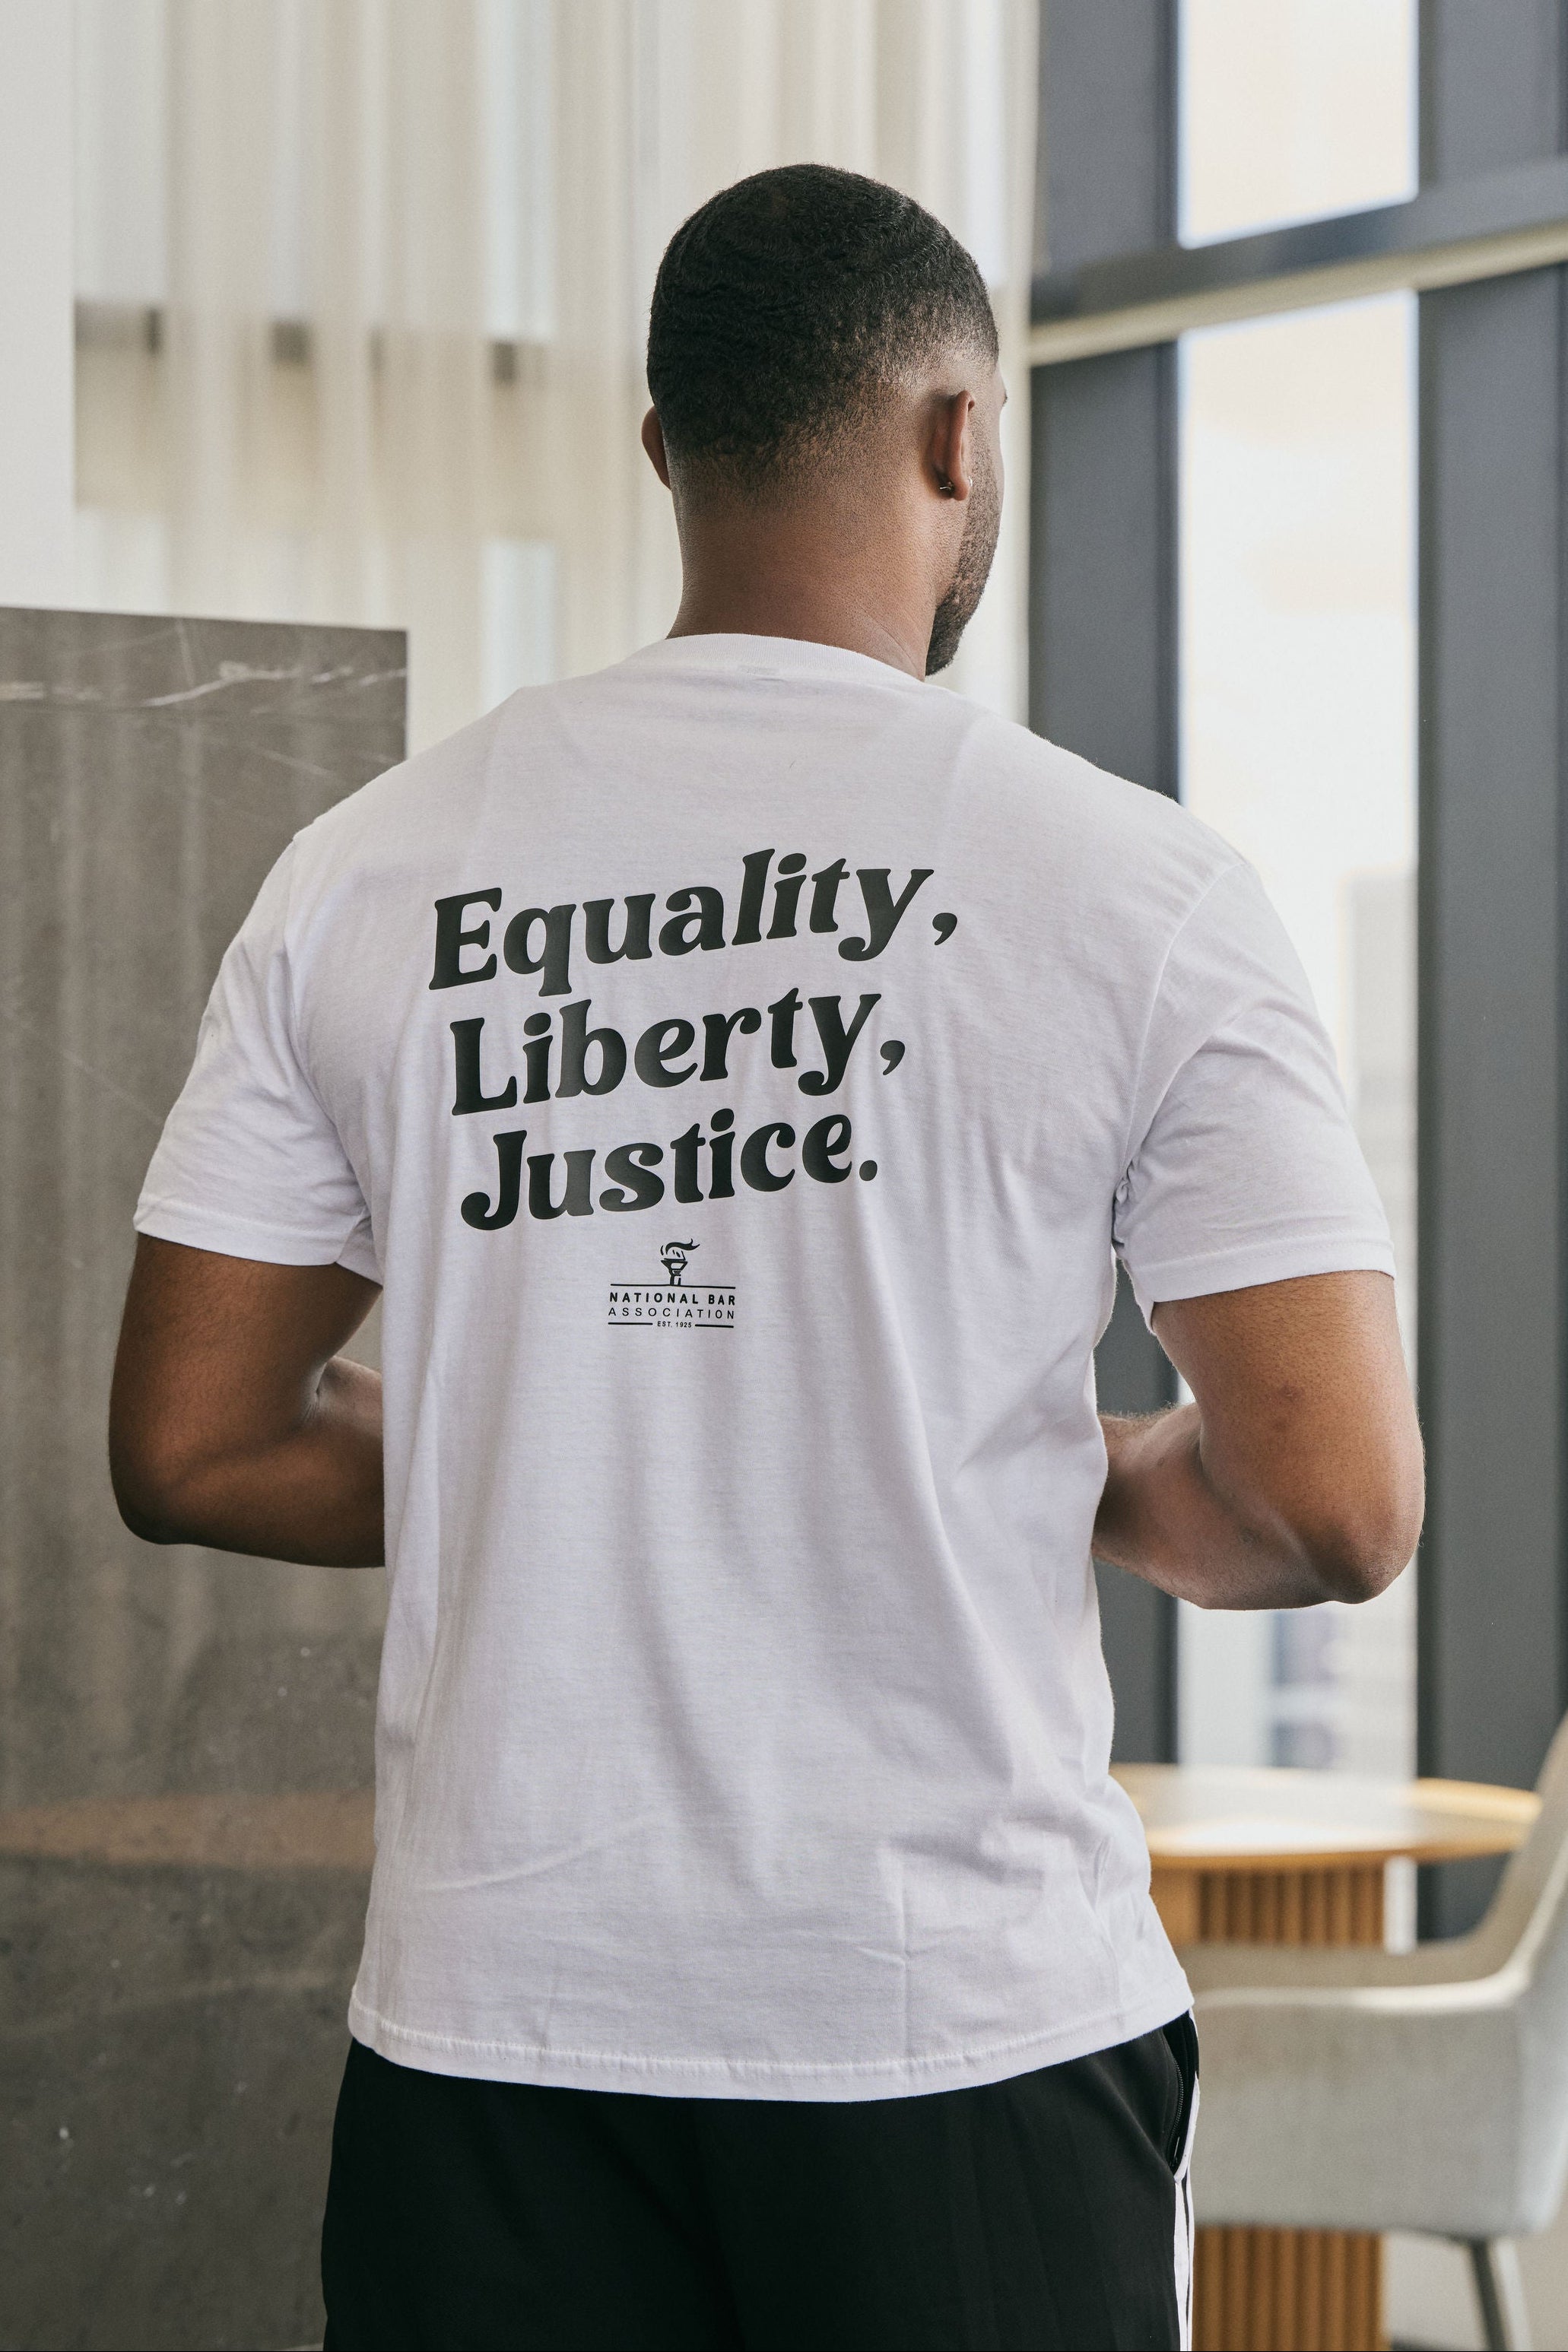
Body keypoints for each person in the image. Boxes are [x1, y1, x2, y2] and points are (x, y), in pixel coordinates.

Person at [109, 165, 1424, 2352]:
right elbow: (1342, 1501)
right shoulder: (1139, 893)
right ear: (955, 439)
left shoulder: (359, 877)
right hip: (957, 2040)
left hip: (492, 2050)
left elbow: (195, 1440)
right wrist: (1065, 1473)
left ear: (664, 452)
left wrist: (565, 1454)